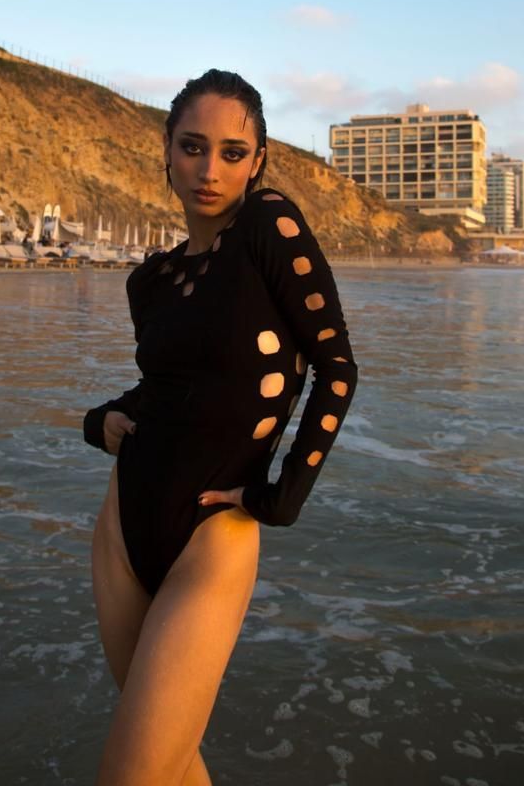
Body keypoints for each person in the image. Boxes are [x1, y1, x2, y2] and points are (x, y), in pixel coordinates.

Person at [83, 69, 358, 786]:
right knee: (167, 764)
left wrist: (280, 496)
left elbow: (335, 367)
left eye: (232, 152)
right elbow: (166, 387)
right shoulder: (151, 279)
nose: (210, 169)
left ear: (258, 160)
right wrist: (103, 418)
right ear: (166, 152)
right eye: (192, 147)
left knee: (130, 775)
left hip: (215, 534)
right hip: (122, 526)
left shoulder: (268, 225)